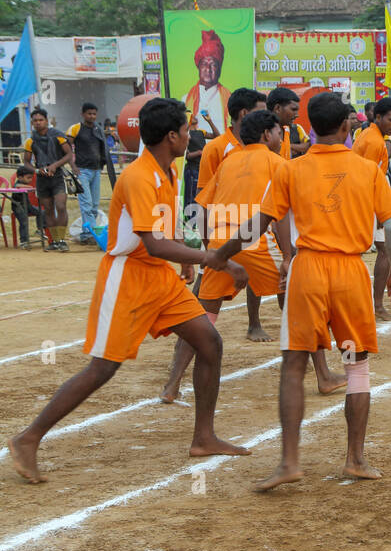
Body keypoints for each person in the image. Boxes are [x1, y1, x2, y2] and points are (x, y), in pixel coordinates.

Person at [7, 98, 250, 484]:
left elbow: (161, 232)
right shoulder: (139, 177)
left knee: (209, 342)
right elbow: (152, 244)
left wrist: (185, 260)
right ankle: (28, 437)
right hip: (128, 278)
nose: (190, 136)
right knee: (103, 367)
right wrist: (212, 258)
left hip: (159, 277)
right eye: (186, 131)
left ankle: (203, 437)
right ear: (171, 136)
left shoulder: (166, 172)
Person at [206, 92, 391, 491]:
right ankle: (355, 458)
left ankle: (289, 462)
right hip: (350, 273)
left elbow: (256, 224)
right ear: (347, 127)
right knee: (356, 366)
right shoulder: (367, 169)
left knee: (294, 366)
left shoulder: (291, 169)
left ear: (310, 127)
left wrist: (220, 254)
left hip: (308, 270)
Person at [161, 108, 348, 402]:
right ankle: (324, 375)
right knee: (304, 306)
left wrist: (213, 250)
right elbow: (280, 214)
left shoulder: (228, 162)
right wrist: (288, 256)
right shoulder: (279, 163)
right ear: (266, 134)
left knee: (202, 318)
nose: (280, 137)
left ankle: (171, 385)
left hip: (223, 245)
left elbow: (202, 209)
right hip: (255, 241)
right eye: (278, 132)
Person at [351, 97, 391, 320]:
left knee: (381, 248)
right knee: (381, 249)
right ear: (378, 117)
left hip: (366, 196)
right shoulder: (374, 142)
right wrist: (379, 210)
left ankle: (374, 304)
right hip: (365, 199)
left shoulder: (374, 137)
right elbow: (368, 179)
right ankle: (375, 304)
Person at [22, 108, 74, 252]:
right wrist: (37, 170)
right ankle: (54, 242)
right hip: (41, 178)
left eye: (41, 120)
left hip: (57, 176)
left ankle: (62, 240)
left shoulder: (58, 136)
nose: (38, 123)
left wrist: (54, 165)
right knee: (48, 209)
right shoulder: (30, 140)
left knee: (61, 206)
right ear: (32, 123)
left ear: (46, 120)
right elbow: (26, 161)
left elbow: (69, 154)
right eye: (35, 121)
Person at [65, 102, 110, 244]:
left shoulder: (98, 129)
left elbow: (103, 148)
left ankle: (88, 232)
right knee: (86, 203)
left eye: (94, 114)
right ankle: (90, 234)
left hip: (96, 170)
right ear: (83, 114)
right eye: (89, 113)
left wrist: (102, 164)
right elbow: (65, 147)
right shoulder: (76, 129)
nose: (92, 116)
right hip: (82, 170)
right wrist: (72, 165)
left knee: (95, 204)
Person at [184, 30, 234, 136]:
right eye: (204, 64)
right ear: (198, 67)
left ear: (219, 69)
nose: (208, 69)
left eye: (213, 65)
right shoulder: (186, 100)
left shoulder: (229, 99)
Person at [266, 87, 309, 159]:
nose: (297, 115)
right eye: (293, 109)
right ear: (278, 108)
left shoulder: (286, 130)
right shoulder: (262, 136)